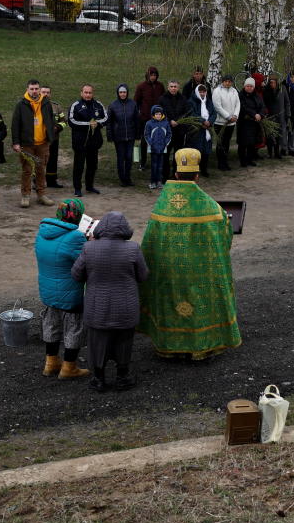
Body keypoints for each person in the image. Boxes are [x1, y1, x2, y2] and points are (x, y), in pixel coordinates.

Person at [138, 148, 241, 359]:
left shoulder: (161, 207)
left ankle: (169, 346)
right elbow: (224, 237)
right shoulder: (211, 207)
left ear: (176, 174)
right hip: (198, 271)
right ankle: (201, 345)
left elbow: (149, 243)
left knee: (171, 302)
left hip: (169, 274)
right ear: (197, 175)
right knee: (198, 301)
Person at [72, 211, 149, 393]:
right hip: (126, 307)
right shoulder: (133, 248)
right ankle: (123, 377)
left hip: (97, 307)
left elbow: (76, 275)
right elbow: (143, 275)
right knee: (124, 342)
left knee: (97, 343)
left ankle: (98, 379)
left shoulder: (89, 248)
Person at [34, 198, 90, 380]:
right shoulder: (75, 236)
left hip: (47, 289)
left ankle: (51, 363)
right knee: (74, 326)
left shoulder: (42, 232)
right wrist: (89, 242)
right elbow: (84, 261)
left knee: (51, 322)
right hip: (70, 292)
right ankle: (69, 367)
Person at [10, 79, 56, 208]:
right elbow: (15, 125)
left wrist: (50, 136)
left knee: (41, 169)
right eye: (32, 89)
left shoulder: (46, 102)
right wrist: (16, 142)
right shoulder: (21, 104)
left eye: (36, 89)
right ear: (27, 89)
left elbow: (51, 120)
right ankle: (25, 195)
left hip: (43, 143)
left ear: (39, 89)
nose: (34, 91)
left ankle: (41, 195)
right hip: (27, 144)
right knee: (27, 170)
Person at [68, 85, 106, 198]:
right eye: (86, 92)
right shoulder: (76, 105)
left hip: (94, 142)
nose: (88, 95)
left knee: (93, 165)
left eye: (90, 93)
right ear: (81, 93)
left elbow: (106, 118)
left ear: (92, 93)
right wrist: (88, 124)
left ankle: (89, 186)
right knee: (79, 166)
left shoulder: (98, 105)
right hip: (80, 142)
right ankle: (77, 188)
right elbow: (71, 121)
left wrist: (98, 123)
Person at [105, 84, 139, 187]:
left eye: (124, 92)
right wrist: (109, 135)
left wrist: (138, 134)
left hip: (130, 135)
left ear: (127, 92)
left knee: (129, 157)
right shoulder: (113, 105)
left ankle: (128, 178)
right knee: (121, 157)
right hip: (118, 136)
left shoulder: (133, 104)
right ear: (118, 93)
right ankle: (122, 179)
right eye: (121, 92)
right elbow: (109, 122)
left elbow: (137, 120)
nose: (122, 94)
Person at [133, 67, 164, 170]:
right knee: (144, 140)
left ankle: (156, 161)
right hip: (145, 118)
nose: (153, 77)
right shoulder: (141, 86)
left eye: (155, 75)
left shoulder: (160, 86)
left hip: (158, 118)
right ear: (147, 75)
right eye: (151, 75)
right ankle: (143, 162)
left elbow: (163, 100)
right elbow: (136, 102)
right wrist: (139, 114)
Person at [159, 80, 190, 175]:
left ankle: (176, 173)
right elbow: (160, 113)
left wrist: (178, 121)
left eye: (175, 86)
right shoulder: (162, 99)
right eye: (171, 86)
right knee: (166, 154)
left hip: (179, 130)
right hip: (167, 131)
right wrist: (169, 121)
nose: (173, 88)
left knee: (178, 153)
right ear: (168, 87)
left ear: (178, 88)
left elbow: (187, 112)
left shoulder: (183, 99)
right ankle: (165, 174)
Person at [210, 74, 240, 171]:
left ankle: (225, 161)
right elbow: (217, 107)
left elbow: (238, 104)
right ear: (222, 82)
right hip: (220, 122)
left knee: (227, 143)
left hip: (231, 123)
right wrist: (228, 116)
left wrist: (235, 115)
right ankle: (220, 163)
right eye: (226, 81)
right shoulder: (217, 91)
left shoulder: (234, 91)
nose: (228, 83)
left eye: (230, 81)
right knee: (221, 143)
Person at [187, 82, 217, 172]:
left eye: (204, 92)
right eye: (200, 92)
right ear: (197, 92)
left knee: (206, 150)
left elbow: (213, 113)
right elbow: (192, 114)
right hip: (196, 130)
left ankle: (204, 169)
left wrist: (209, 122)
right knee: (196, 150)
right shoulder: (191, 102)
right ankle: (194, 169)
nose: (202, 94)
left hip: (207, 129)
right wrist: (203, 121)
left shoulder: (208, 101)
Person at [40, 85, 65, 189]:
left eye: (47, 92)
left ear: (50, 94)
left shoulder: (57, 106)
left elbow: (63, 121)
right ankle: (36, 181)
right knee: (39, 161)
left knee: (52, 160)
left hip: (53, 139)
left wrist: (57, 128)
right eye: (43, 92)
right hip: (39, 139)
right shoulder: (35, 105)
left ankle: (51, 181)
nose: (45, 94)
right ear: (40, 93)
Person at [237, 78, 266, 164]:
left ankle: (250, 159)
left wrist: (260, 114)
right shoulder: (240, 95)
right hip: (244, 122)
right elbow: (243, 107)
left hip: (255, 122)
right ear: (244, 86)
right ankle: (242, 160)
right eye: (247, 86)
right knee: (243, 142)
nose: (249, 88)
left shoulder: (257, 96)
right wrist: (254, 114)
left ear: (253, 87)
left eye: (251, 86)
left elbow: (262, 106)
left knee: (252, 142)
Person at [143, 105, 171, 190]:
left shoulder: (166, 123)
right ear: (153, 114)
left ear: (162, 114)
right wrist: (151, 143)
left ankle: (159, 182)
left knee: (160, 166)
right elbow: (146, 134)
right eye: (156, 114)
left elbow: (169, 134)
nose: (158, 115)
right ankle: (152, 182)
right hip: (153, 149)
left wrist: (165, 143)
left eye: (160, 114)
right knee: (154, 166)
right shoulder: (149, 123)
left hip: (162, 149)